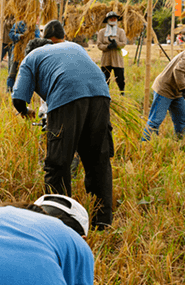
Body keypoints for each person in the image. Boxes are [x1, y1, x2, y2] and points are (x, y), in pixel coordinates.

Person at [12, 21, 113, 230]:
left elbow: (18, 99)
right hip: (101, 94)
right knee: (98, 160)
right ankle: (102, 221)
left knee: (58, 164)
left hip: (66, 98)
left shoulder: (30, 58)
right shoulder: (74, 46)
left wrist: (25, 112)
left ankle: (60, 223)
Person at [142, 29, 185, 141]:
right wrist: (184, 89)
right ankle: (144, 144)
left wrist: (182, 90)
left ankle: (179, 142)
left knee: (182, 119)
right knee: (155, 120)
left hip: (177, 91)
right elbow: (178, 70)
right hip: (165, 89)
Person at [96, 11, 128, 94]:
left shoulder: (121, 31)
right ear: (107, 20)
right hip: (106, 59)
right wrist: (107, 46)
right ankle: (104, 94)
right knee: (105, 79)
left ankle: (122, 94)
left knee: (120, 79)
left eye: (115, 18)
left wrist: (116, 44)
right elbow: (99, 44)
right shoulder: (102, 32)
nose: (113, 19)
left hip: (117, 59)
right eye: (111, 18)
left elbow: (123, 43)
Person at [0, 15, 14, 79]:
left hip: (11, 44)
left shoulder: (14, 19)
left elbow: (10, 25)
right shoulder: (2, 17)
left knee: (11, 62)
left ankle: (10, 78)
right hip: (3, 43)